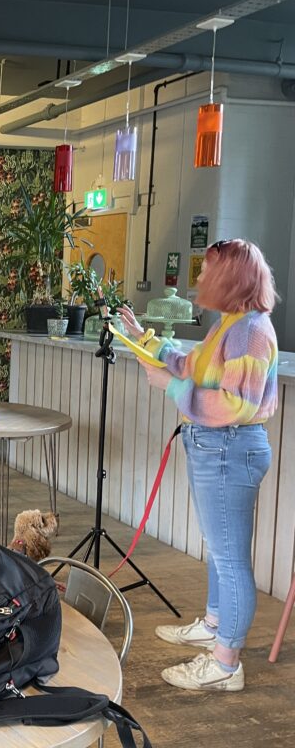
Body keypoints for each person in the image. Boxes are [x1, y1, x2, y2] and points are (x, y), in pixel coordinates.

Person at [119, 238, 279, 693]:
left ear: (232, 278)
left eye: (208, 271)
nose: (201, 279)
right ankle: (213, 625)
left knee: (229, 559)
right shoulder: (230, 324)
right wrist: (144, 338)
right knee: (220, 547)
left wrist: (171, 388)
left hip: (228, 447)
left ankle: (226, 663)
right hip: (214, 446)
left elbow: (235, 404)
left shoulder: (249, 330)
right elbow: (190, 364)